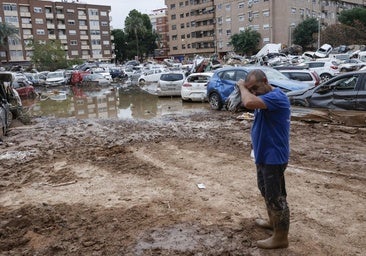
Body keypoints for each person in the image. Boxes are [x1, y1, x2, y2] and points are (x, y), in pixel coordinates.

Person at [237, 69, 290, 249]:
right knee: (266, 191)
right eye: (250, 89)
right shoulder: (265, 99)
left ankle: (281, 237)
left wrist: (242, 87)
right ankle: (272, 221)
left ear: (265, 81)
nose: (253, 92)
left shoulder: (277, 97)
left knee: (276, 197)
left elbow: (248, 102)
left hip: (274, 157)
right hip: (263, 155)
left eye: (255, 88)